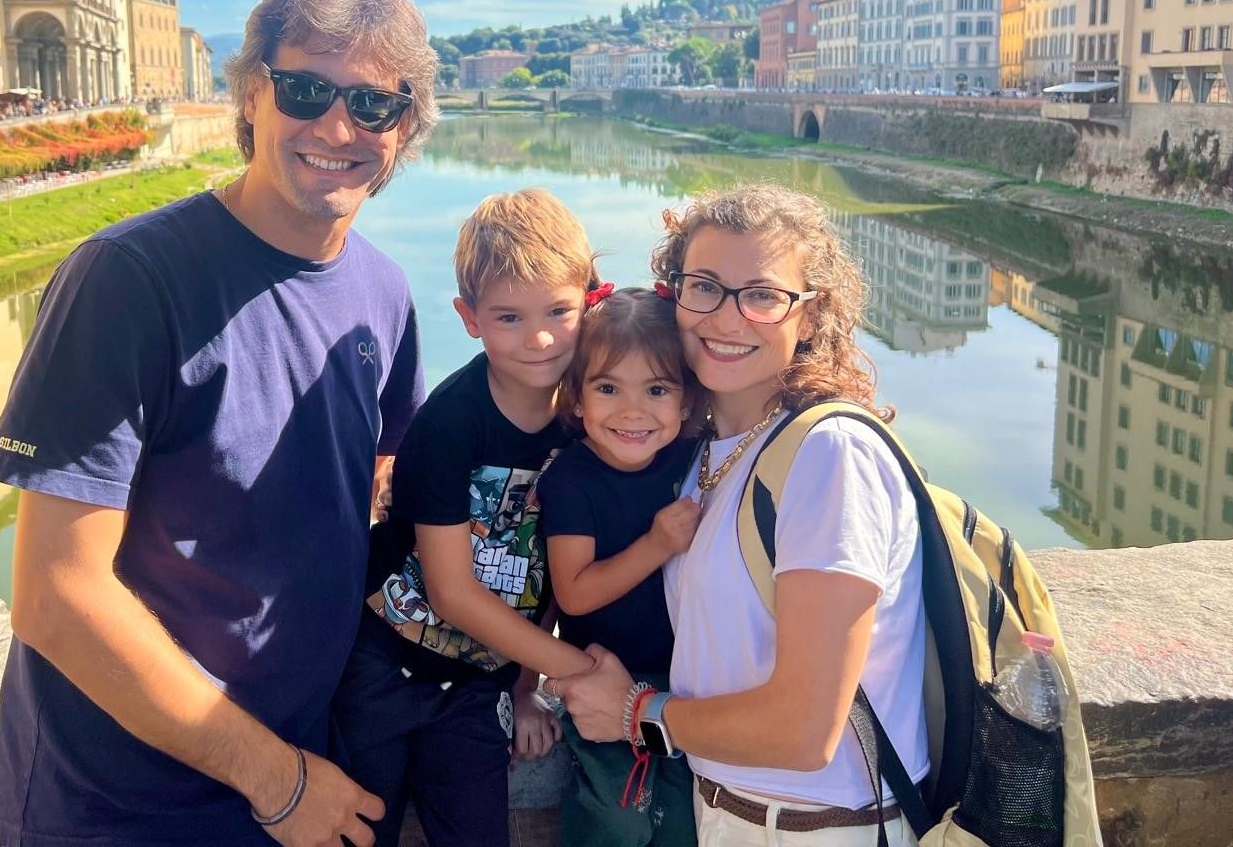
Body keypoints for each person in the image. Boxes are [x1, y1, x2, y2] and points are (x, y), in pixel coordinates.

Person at [0, 0, 439, 847]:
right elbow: (56, 595)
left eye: (374, 105)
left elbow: (379, 470)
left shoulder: (382, 291)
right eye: (305, 89)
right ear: (251, 95)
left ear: (405, 127)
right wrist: (280, 782)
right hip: (119, 810)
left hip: (291, 778)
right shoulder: (129, 279)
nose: (338, 125)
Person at [556, 185, 927, 846]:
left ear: (809, 316)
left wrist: (636, 713)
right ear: (675, 298)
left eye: (762, 296)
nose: (728, 320)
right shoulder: (706, 454)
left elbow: (805, 730)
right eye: (706, 287)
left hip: (819, 828)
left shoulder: (828, 454)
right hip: (726, 812)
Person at [332, 188, 604, 847]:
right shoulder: (451, 424)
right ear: (468, 317)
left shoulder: (589, 420)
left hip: (480, 688)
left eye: (559, 312)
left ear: (592, 302)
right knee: (361, 830)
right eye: (508, 316)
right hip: (386, 664)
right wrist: (582, 674)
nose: (538, 338)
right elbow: (452, 591)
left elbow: (545, 570)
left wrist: (528, 684)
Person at [537, 286, 701, 846]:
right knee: (616, 813)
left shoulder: (692, 455)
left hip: (687, 681)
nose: (632, 411)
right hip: (602, 676)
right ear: (577, 398)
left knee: (682, 821)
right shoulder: (572, 480)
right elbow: (575, 594)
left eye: (656, 389)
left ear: (686, 402)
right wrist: (656, 544)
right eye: (608, 387)